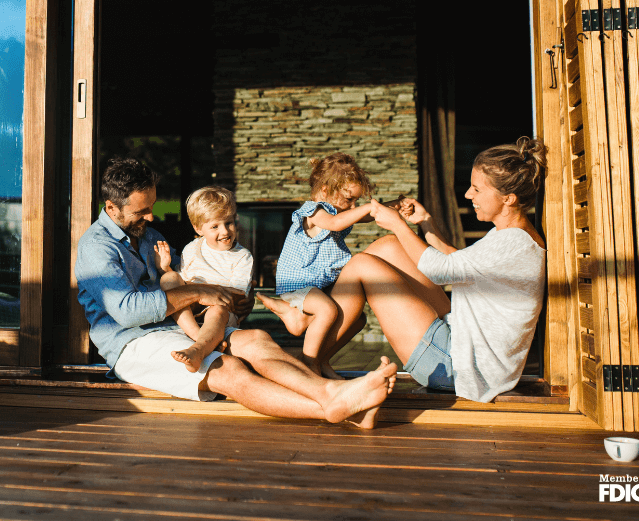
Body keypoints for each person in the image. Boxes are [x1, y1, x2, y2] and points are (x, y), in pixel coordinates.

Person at [75, 157, 397, 428]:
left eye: (152, 207)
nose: (151, 217)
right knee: (227, 369)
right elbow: (130, 311)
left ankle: (339, 397)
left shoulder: (147, 234)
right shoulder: (96, 247)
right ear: (111, 208)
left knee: (256, 339)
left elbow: (187, 279)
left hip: (177, 328)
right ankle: (332, 405)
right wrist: (204, 292)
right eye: (141, 211)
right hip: (133, 343)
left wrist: (237, 300)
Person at [321, 137, 548, 403]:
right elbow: (457, 262)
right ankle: (320, 345)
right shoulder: (512, 235)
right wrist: (425, 223)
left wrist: (399, 225)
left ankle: (313, 352)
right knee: (389, 247)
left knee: (363, 265)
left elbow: (442, 271)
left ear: (508, 198)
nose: (468, 195)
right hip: (460, 343)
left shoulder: (511, 243)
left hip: (457, 367)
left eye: (476, 189)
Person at [256, 153, 402, 377]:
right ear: (325, 190)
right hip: (298, 284)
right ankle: (310, 362)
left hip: (318, 285)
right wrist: (366, 208)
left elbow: (362, 216)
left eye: (355, 201)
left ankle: (322, 359)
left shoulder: (338, 210)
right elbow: (334, 223)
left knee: (357, 319)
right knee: (327, 310)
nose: (353, 205)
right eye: (349, 199)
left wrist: (394, 206)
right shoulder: (314, 212)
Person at [152, 186, 254, 373]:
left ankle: (198, 350)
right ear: (198, 228)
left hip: (221, 311)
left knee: (217, 310)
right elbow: (181, 283)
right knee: (169, 278)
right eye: (215, 226)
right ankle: (198, 336)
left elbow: (238, 295)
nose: (224, 231)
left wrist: (202, 292)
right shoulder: (192, 248)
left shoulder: (243, 256)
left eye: (229, 223)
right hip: (190, 311)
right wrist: (165, 267)